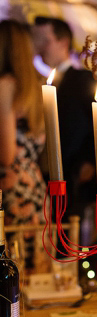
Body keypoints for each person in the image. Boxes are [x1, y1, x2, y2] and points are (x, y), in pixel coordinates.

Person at [31, 16, 97, 223]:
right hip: (44, 180)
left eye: (45, 41)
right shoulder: (39, 83)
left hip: (73, 180)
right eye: (36, 41)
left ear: (63, 42)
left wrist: (92, 161)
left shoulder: (81, 80)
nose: (40, 48)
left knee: (69, 240)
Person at [0, 20, 45, 226]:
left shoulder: (6, 85)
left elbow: (7, 156)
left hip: (10, 189)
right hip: (33, 185)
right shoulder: (37, 87)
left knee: (11, 256)